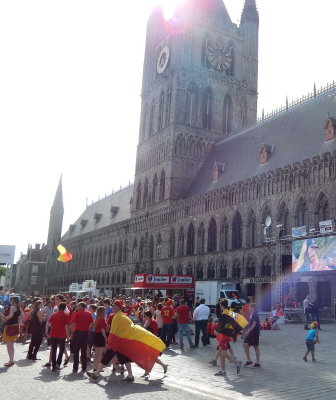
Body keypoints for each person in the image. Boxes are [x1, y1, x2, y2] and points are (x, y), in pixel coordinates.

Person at [213, 300, 242, 376]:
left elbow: (221, 325)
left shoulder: (225, 314)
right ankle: (223, 371)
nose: (219, 306)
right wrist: (238, 331)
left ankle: (237, 363)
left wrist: (216, 331)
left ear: (222, 305)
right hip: (225, 334)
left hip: (224, 335)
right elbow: (234, 323)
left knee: (224, 353)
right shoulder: (229, 313)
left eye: (220, 305)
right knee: (222, 354)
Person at [70, 301, 94, 372]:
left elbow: (72, 323)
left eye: (78, 306)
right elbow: (92, 323)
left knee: (76, 351)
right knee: (84, 351)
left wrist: (72, 333)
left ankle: (75, 368)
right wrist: (89, 330)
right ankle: (84, 367)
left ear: (81, 307)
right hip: (85, 333)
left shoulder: (77, 313)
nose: (77, 307)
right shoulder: (89, 313)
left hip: (77, 333)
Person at [46, 302, 70, 371]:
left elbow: (48, 322)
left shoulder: (54, 315)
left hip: (53, 334)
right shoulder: (66, 316)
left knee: (54, 349)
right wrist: (68, 336)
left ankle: (53, 365)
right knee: (61, 349)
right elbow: (66, 327)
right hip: (62, 335)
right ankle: (58, 364)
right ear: (65, 308)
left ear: (58, 308)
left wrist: (47, 332)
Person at [2, 296, 23, 367]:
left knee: (9, 345)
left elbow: (10, 316)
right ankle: (11, 360)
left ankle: (11, 361)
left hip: (10, 326)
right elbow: (22, 316)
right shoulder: (18, 307)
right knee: (11, 344)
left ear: (13, 300)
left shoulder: (12, 307)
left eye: (10, 299)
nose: (9, 300)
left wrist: (4, 317)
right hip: (15, 326)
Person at [243, 303, 261, 367]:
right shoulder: (251, 314)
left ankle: (258, 362)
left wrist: (248, 331)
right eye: (249, 308)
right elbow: (250, 324)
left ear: (254, 309)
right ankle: (249, 360)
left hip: (254, 332)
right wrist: (246, 331)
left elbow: (254, 324)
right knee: (245, 344)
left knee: (255, 346)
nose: (250, 309)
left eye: (251, 308)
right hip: (250, 332)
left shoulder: (255, 314)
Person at [92, 306, 107, 371]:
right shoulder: (102, 319)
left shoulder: (97, 318)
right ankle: (97, 368)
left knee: (96, 352)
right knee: (100, 353)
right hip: (100, 335)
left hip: (96, 335)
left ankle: (95, 367)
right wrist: (105, 337)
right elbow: (102, 329)